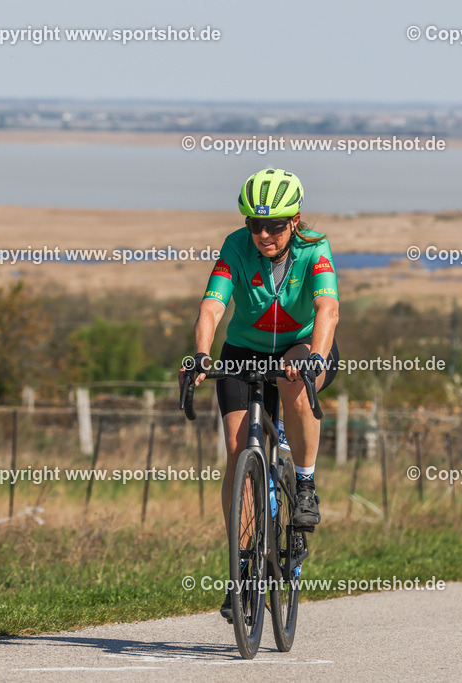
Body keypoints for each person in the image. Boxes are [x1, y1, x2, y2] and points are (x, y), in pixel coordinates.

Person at [179, 168, 340, 620]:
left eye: (274, 225)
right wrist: (201, 354)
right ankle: (244, 563)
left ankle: (304, 482)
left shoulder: (315, 248)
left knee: (293, 380)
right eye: (254, 224)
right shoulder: (236, 245)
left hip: (301, 348)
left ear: (295, 220)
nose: (263, 234)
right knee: (237, 449)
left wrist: (317, 358)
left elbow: (327, 306)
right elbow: (212, 305)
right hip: (244, 351)